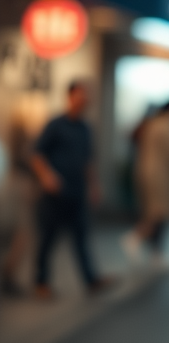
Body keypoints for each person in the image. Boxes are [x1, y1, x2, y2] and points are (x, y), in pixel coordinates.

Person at [31, 81, 111, 298]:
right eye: (80, 95)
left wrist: (94, 185)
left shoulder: (85, 127)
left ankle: (90, 279)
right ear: (70, 97)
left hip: (77, 191)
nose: (84, 99)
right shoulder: (56, 124)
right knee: (48, 239)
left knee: (81, 237)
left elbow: (88, 160)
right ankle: (41, 282)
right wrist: (47, 176)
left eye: (87, 95)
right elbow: (37, 154)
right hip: (55, 194)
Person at [121, 101, 169, 266]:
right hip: (160, 177)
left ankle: (155, 251)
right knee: (158, 214)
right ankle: (136, 238)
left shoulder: (150, 124)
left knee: (153, 213)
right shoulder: (166, 124)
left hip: (144, 172)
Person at [1, 95, 46, 295]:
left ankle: (9, 275)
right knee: (22, 233)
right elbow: (25, 160)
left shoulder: (23, 132)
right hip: (21, 185)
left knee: (22, 233)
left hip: (20, 184)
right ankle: (8, 275)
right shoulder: (21, 132)